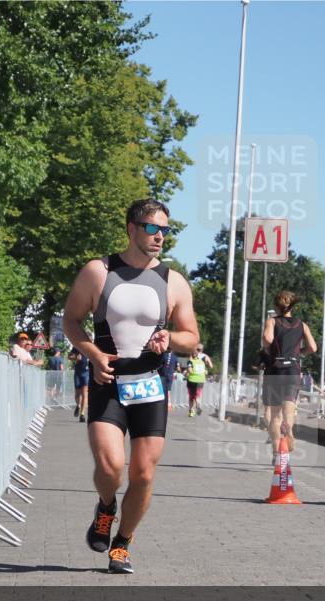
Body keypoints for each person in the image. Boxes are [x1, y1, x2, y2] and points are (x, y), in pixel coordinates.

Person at [64, 198, 199, 574]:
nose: (160, 237)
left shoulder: (173, 282)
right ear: (132, 228)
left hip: (149, 387)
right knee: (112, 467)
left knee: (143, 474)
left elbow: (191, 337)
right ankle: (106, 507)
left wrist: (170, 338)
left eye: (165, 230)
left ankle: (122, 543)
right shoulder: (99, 271)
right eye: (152, 228)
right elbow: (71, 322)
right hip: (108, 381)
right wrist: (92, 353)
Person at [262, 290, 317, 457]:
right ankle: (289, 430)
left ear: (276, 306)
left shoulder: (272, 321)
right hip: (293, 369)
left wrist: (267, 348)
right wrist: (300, 353)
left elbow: (267, 339)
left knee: (274, 416)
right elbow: (313, 348)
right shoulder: (302, 324)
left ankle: (276, 452)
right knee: (289, 409)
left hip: (275, 369)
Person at [185, 344, 213, 417]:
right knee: (198, 396)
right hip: (201, 380)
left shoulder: (191, 358)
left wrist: (186, 373)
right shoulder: (204, 357)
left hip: (191, 380)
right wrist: (205, 369)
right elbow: (211, 366)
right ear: (202, 350)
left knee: (191, 396)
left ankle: (191, 411)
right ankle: (198, 406)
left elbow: (190, 370)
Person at [71, 348, 90, 423]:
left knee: (85, 394)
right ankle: (78, 405)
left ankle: (82, 414)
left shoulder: (92, 347)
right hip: (78, 373)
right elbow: (69, 356)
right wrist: (76, 357)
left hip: (87, 373)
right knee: (77, 394)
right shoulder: (77, 346)